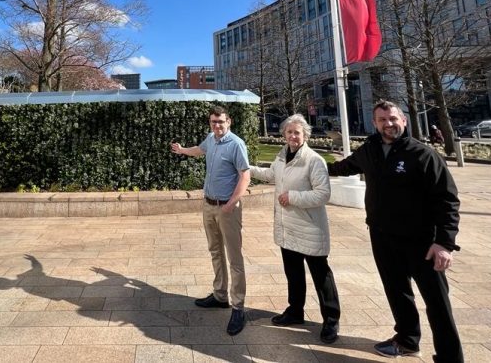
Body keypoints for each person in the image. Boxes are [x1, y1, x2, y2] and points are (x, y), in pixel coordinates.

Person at [328, 100, 463, 362]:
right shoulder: (371, 150)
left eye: (392, 119)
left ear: (403, 120)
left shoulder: (423, 155)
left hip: (422, 241)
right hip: (382, 236)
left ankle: (450, 357)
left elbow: (447, 201)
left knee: (437, 302)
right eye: (382, 120)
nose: (388, 124)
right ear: (375, 124)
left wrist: (444, 243)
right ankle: (407, 340)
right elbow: (342, 168)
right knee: (397, 291)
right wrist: (306, 166)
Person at [249, 113, 341, 344]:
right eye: (289, 132)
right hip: (287, 226)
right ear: (284, 135)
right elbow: (270, 175)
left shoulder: (313, 160)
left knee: (321, 276)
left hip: (310, 228)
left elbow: (323, 194)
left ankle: (331, 320)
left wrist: (293, 197)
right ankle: (295, 311)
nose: (292, 136)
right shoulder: (281, 157)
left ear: (305, 135)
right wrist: (247, 169)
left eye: (297, 132)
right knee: (293, 272)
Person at [171, 105, 251, 336]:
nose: (217, 126)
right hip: (208, 205)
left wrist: (231, 204)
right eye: (213, 122)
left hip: (227, 208)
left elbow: (245, 175)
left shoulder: (236, 144)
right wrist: (182, 150)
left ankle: (238, 307)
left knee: (234, 258)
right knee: (215, 251)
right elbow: (200, 150)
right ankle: (220, 296)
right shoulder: (211, 139)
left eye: (221, 122)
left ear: (229, 122)